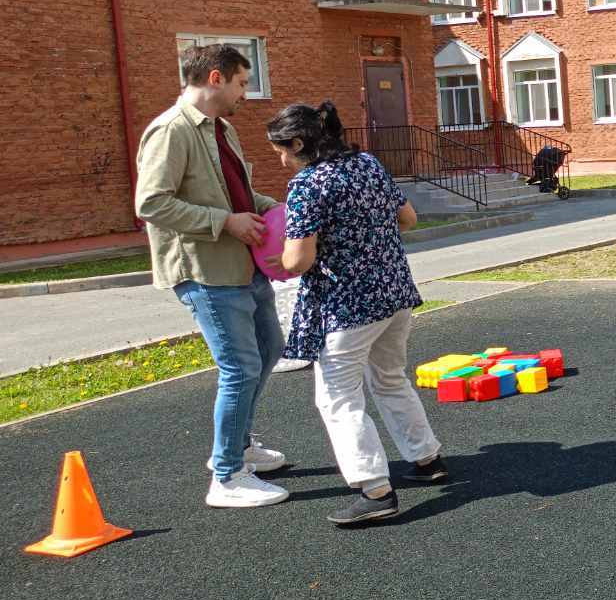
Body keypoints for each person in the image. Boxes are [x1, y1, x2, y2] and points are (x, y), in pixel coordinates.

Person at [268, 102, 448, 526]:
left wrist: (280, 260)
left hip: (346, 307)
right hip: (393, 294)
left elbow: (298, 260)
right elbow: (408, 219)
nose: (281, 160)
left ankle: (375, 489)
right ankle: (427, 458)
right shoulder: (367, 164)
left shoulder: (308, 184)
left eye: (281, 151)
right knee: (390, 379)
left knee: (338, 398)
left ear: (299, 143)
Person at [136, 43, 289, 509]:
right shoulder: (171, 130)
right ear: (216, 78)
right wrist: (224, 223)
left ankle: (239, 446)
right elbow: (151, 203)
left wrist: (278, 209)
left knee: (270, 349)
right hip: (207, 272)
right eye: (242, 82)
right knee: (239, 369)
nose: (246, 92)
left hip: (242, 265)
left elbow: (235, 193)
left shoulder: (221, 128)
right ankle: (226, 476)